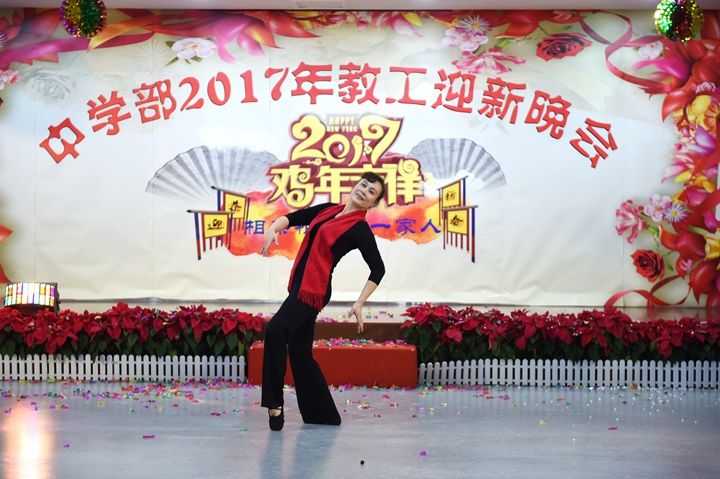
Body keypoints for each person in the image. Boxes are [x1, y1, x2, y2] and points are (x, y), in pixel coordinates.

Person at [259, 171, 386, 431]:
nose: (364, 191)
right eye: (363, 185)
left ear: (373, 203)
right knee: (299, 351)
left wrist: (360, 301)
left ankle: (274, 404)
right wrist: (273, 228)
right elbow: (296, 217)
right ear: (356, 185)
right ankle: (323, 414)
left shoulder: (359, 229)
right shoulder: (329, 210)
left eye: (371, 192)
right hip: (300, 284)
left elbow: (378, 268)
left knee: (275, 330)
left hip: (314, 290)